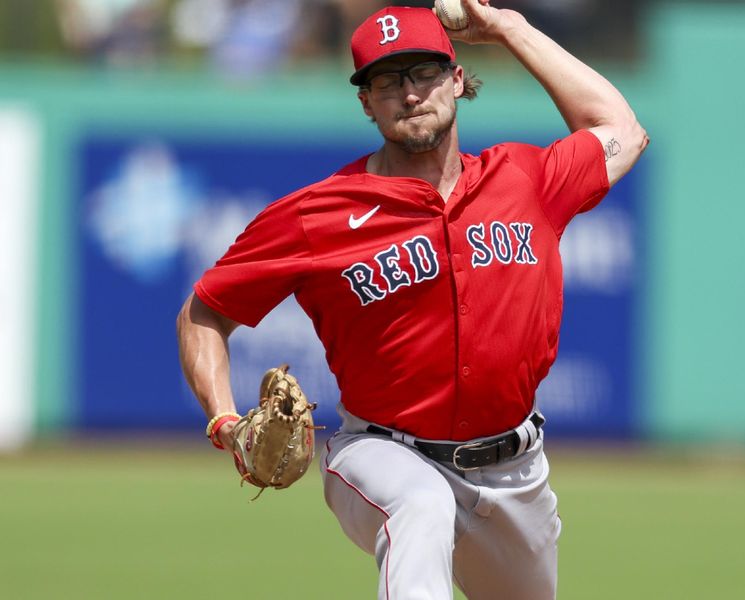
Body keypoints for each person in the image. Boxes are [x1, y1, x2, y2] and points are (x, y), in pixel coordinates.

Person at [176, 1, 648, 598]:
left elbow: (623, 131)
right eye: (386, 80)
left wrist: (511, 29)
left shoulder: (525, 180)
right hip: (382, 451)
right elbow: (204, 310)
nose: (409, 92)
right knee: (420, 504)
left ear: (456, 78)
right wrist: (225, 420)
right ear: (366, 102)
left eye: (423, 71)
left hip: (513, 471)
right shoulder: (317, 215)